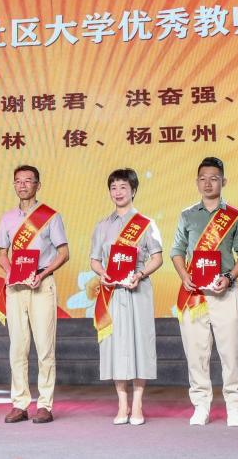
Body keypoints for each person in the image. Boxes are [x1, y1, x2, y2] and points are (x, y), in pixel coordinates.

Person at [170, 156, 238, 426]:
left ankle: (234, 407)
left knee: (232, 353)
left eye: (214, 178)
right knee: (196, 353)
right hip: (195, 295)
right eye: (203, 179)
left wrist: (229, 277)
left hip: (225, 293)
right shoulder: (187, 215)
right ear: (197, 182)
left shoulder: (235, 216)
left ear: (223, 181)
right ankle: (201, 405)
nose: (208, 184)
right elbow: (177, 251)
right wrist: (184, 276)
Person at [0, 165, 69, 425]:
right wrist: (9, 271)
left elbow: (64, 253)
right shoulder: (7, 218)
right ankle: (20, 403)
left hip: (41, 282)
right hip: (16, 286)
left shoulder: (50, 216)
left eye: (28, 181)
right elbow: (2, 254)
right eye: (18, 181)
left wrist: (43, 273)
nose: (23, 185)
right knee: (18, 347)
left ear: (38, 184)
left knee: (45, 347)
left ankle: (45, 404)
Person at [89, 168, 163, 425]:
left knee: (140, 344)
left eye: (123, 187)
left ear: (133, 190)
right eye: (114, 187)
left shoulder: (146, 223)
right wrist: (103, 274)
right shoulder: (102, 226)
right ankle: (122, 404)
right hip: (111, 293)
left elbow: (157, 257)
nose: (118, 192)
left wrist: (140, 274)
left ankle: (138, 403)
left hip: (137, 290)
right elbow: (95, 260)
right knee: (115, 347)